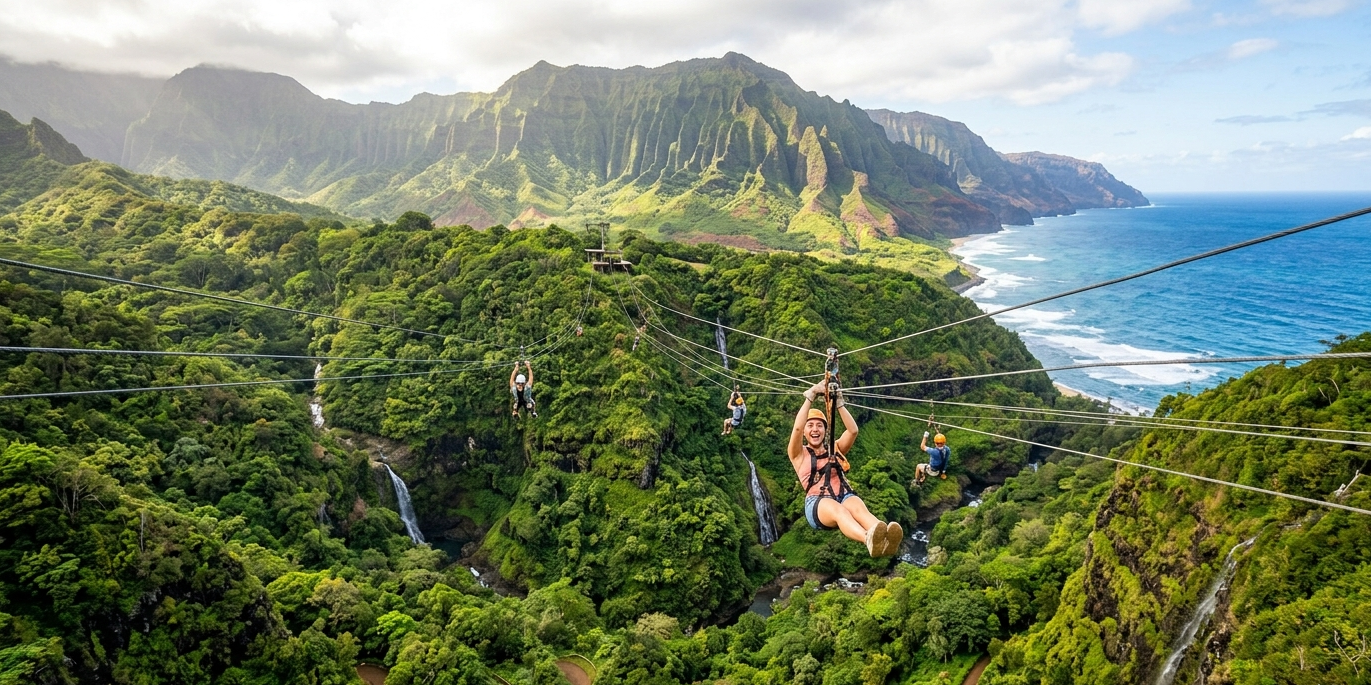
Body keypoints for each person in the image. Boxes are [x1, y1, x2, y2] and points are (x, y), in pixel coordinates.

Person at [788, 380, 902, 557]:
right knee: (840, 511)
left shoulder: (836, 448)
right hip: (818, 504)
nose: (815, 429)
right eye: (810, 426)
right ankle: (868, 539)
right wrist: (810, 395)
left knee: (858, 508)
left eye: (819, 425)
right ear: (805, 431)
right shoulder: (798, 454)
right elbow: (796, 428)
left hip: (843, 495)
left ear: (826, 430)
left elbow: (853, 431)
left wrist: (839, 403)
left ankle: (886, 539)